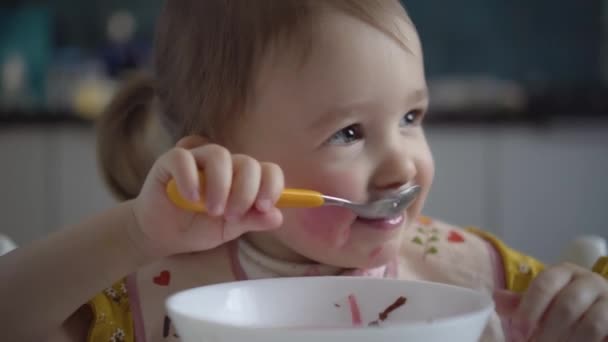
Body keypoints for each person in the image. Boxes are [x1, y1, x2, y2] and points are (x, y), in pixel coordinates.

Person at [1, 1, 606, 341]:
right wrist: (137, 232)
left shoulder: (467, 272)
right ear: (226, 159)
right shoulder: (169, 298)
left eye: (412, 116)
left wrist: (587, 309)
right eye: (348, 132)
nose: (403, 163)